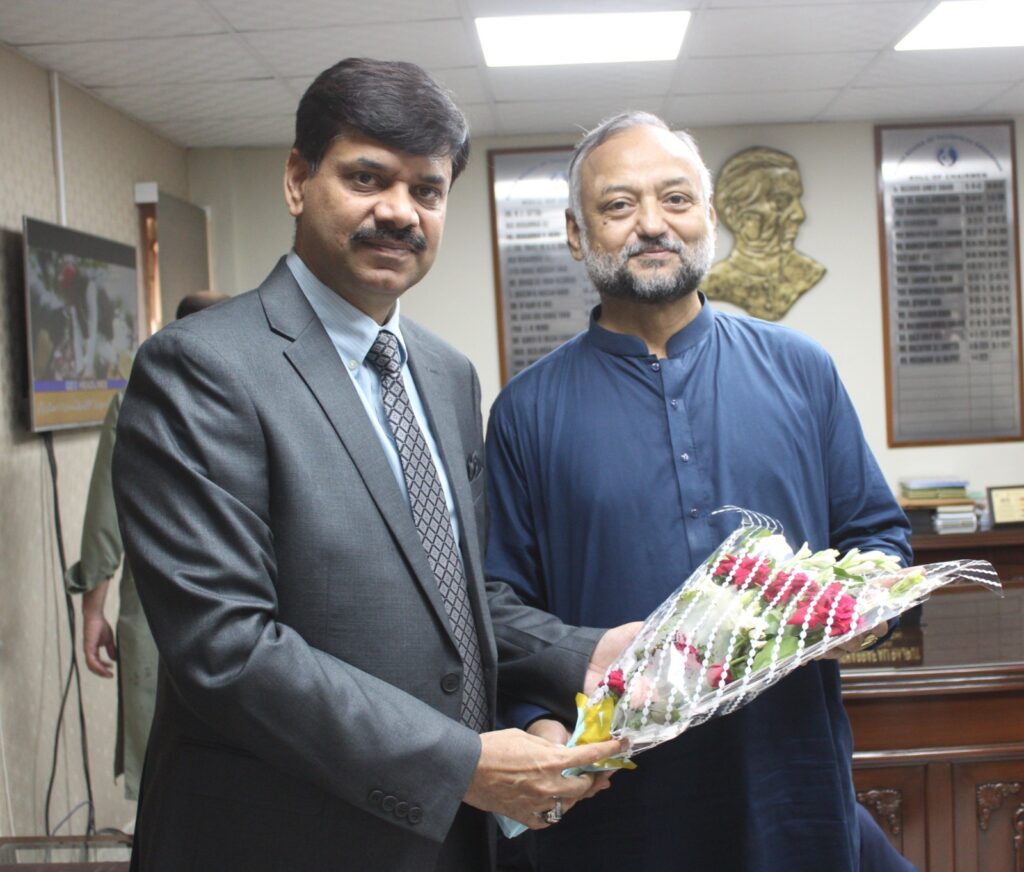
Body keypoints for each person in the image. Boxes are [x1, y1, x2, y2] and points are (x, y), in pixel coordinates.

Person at [112, 59, 632, 872]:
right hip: (284, 841)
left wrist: (585, 653)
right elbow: (228, 649)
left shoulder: (447, 373)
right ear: (298, 180)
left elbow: (454, 597)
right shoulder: (201, 370)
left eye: (426, 190)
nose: (399, 211)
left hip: (452, 838)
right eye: (366, 178)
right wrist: (460, 765)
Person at [485, 111, 914, 872]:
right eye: (619, 205)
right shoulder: (526, 410)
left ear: (709, 217)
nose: (653, 223)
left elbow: (879, 538)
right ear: (577, 234)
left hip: (792, 784)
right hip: (618, 811)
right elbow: (500, 606)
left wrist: (867, 609)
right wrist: (538, 723)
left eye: (676, 199)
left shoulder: (802, 371)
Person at [65, 291, 228, 801]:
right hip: (253, 603)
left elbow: (106, 513)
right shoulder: (265, 392)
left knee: (165, 764)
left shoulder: (137, 396)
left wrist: (94, 610)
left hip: (159, 602)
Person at [703, 146, 826, 321]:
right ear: (734, 213)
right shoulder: (713, 282)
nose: (799, 215)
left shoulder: (809, 273)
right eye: (781, 201)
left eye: (797, 200)